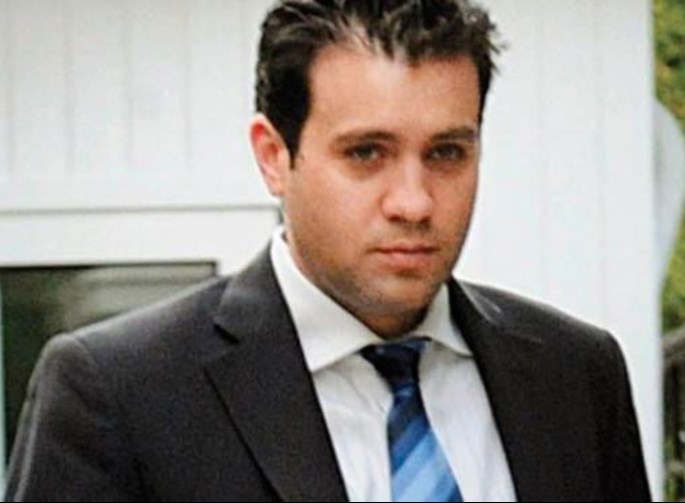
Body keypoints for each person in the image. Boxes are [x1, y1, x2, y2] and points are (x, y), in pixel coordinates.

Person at [5, 0, 651, 501]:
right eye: (366, 153)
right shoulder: (121, 394)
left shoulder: (574, 376)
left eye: (447, 153)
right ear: (273, 157)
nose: (413, 202)